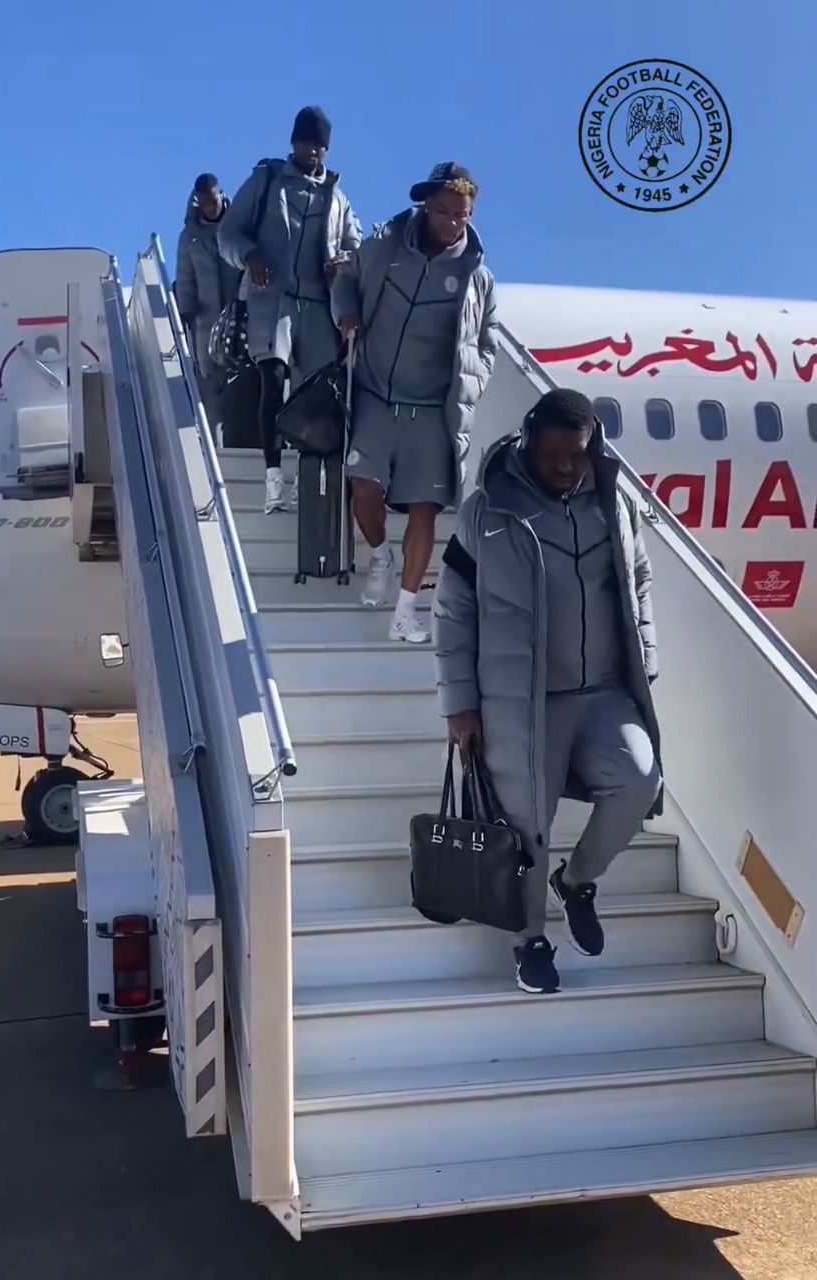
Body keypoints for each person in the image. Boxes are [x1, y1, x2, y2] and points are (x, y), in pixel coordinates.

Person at [433, 388, 663, 995]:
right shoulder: (487, 512)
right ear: (529, 441)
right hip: (522, 702)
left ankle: (577, 880)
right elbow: (453, 610)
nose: (565, 467)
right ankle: (529, 941)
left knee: (640, 781)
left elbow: (639, 577)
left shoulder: (614, 502)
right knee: (526, 826)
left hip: (604, 693)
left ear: (592, 446)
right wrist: (459, 704)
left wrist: (647, 652)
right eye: (553, 454)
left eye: (576, 454)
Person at [332, 163, 498, 644]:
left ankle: (406, 610)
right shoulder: (386, 247)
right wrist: (347, 314)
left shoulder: (477, 278)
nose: (453, 222)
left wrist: (474, 379)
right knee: (364, 490)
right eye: (444, 211)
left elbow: (487, 341)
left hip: (432, 410)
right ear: (425, 205)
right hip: (376, 395)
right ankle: (379, 554)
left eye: (463, 215)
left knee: (425, 508)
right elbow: (346, 279)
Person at [217, 106, 361, 513]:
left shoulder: (338, 199)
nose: (312, 150)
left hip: (317, 306)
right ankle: (272, 475)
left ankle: (302, 475)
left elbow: (355, 248)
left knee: (313, 394)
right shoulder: (267, 181)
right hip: (272, 299)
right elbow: (229, 232)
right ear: (293, 142)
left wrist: (343, 264)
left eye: (319, 145)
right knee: (274, 378)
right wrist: (249, 254)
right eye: (305, 142)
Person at [176, 173, 241, 431]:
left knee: (240, 374)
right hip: (206, 320)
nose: (210, 208)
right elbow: (185, 277)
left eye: (213, 201)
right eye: (204, 203)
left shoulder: (237, 228)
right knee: (208, 378)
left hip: (238, 317)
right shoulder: (190, 238)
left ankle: (239, 433)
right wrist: (186, 309)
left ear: (221, 196)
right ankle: (213, 439)